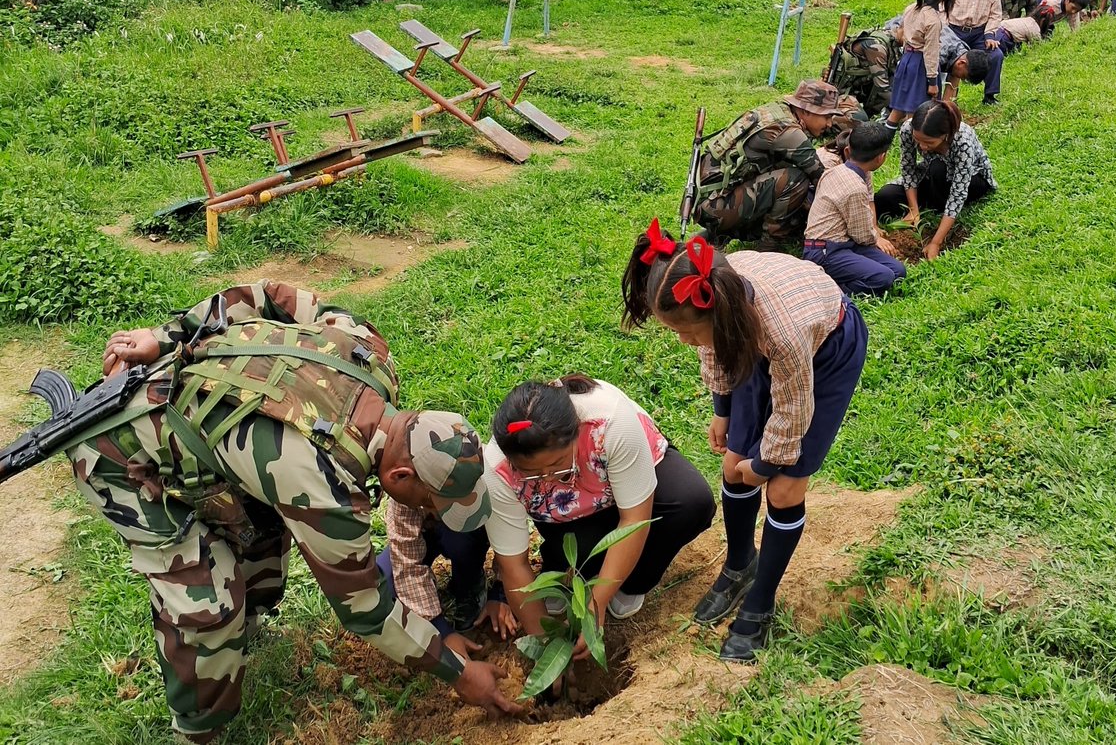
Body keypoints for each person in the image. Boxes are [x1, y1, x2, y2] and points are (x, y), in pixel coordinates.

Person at [67, 281, 519, 743]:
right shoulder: (322, 485)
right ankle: (197, 726)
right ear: (401, 476)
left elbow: (271, 294)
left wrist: (168, 335)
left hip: (199, 430)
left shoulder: (370, 354)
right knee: (207, 604)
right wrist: (457, 672)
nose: (428, 513)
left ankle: (246, 630)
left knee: (264, 525)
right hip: (122, 456)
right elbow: (364, 608)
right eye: (429, 502)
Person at [620, 226, 867, 662]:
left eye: (688, 333)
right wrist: (723, 408)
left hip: (826, 349)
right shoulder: (720, 303)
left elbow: (792, 410)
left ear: (720, 317)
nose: (684, 341)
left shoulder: (783, 334)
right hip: (753, 339)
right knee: (733, 464)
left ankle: (761, 601)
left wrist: (769, 464)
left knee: (784, 489)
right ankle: (739, 564)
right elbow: (715, 348)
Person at [483, 373, 715, 659]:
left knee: (691, 503)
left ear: (576, 435)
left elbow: (634, 519)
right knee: (581, 549)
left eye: (556, 464)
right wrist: (544, 646)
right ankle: (564, 571)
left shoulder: (610, 423)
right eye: (531, 473)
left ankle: (631, 584)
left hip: (622, 486)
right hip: (568, 512)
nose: (546, 477)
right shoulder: (496, 470)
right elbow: (513, 564)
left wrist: (598, 602)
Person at [692, 80, 840, 250]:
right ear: (806, 110)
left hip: (710, 199)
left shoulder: (776, 112)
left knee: (792, 177)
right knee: (795, 180)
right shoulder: (787, 131)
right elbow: (821, 178)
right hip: (715, 206)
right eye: (826, 116)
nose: (829, 124)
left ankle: (719, 232)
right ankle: (768, 247)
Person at [379, 491, 518, 653]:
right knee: (385, 583)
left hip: (464, 531)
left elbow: (510, 542)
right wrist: (443, 632)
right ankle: (432, 599)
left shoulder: (487, 484)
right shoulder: (404, 493)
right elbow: (406, 566)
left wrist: (500, 593)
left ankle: (469, 586)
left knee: (460, 541)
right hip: (425, 535)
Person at [874, 100, 995, 260]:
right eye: (918, 140)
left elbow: (958, 194)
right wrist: (913, 210)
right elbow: (908, 169)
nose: (922, 147)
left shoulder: (962, 141)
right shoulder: (908, 129)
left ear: (945, 135)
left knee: (939, 169)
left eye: (929, 142)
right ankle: (927, 202)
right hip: (929, 173)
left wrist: (936, 243)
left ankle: (935, 203)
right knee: (885, 196)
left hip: (972, 179)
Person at [802, 123, 906, 296]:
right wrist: (876, 237)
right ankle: (830, 292)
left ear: (848, 150)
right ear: (881, 157)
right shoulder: (854, 187)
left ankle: (841, 276)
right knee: (884, 277)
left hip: (846, 244)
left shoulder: (837, 171)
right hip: (824, 251)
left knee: (898, 271)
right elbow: (863, 236)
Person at [830, 24, 986, 119]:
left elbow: (952, 82)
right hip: (846, 89)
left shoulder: (963, 51)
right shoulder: (880, 48)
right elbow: (885, 88)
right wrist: (906, 109)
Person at [886, 0, 957, 129]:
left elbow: (902, 33)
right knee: (916, 113)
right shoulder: (932, 20)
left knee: (897, 109)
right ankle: (913, 145)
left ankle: (883, 142)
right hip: (921, 66)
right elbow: (931, 52)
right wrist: (932, 81)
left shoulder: (912, 8)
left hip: (906, 61)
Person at [947, 0, 1005, 106]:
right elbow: (944, 8)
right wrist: (944, 30)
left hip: (979, 32)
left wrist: (989, 35)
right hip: (954, 31)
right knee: (952, 61)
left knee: (996, 55)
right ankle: (948, 98)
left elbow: (995, 14)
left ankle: (990, 95)